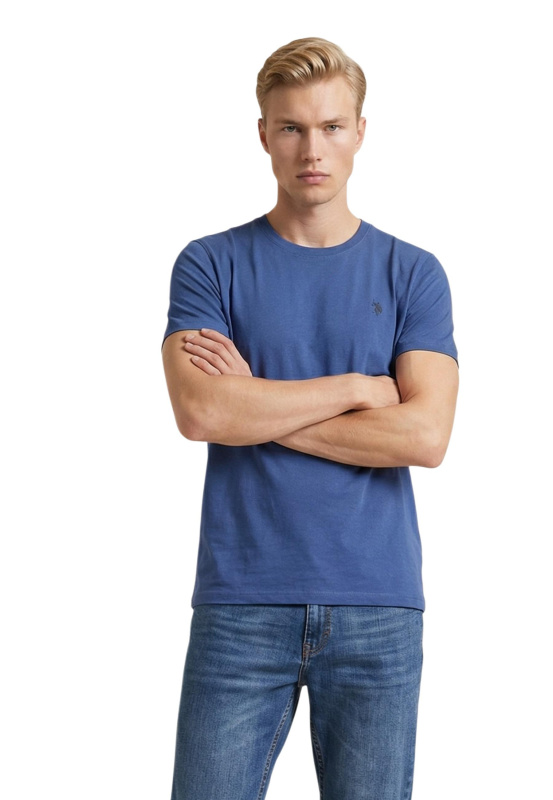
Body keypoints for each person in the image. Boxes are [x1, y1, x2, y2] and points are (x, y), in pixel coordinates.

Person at [161, 37, 458, 800]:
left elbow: (424, 436)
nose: (311, 149)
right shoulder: (209, 264)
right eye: (291, 127)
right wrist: (359, 387)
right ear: (263, 134)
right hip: (241, 597)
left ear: (360, 132)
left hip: (376, 602)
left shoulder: (412, 273)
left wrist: (254, 406)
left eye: (330, 126)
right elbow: (200, 410)